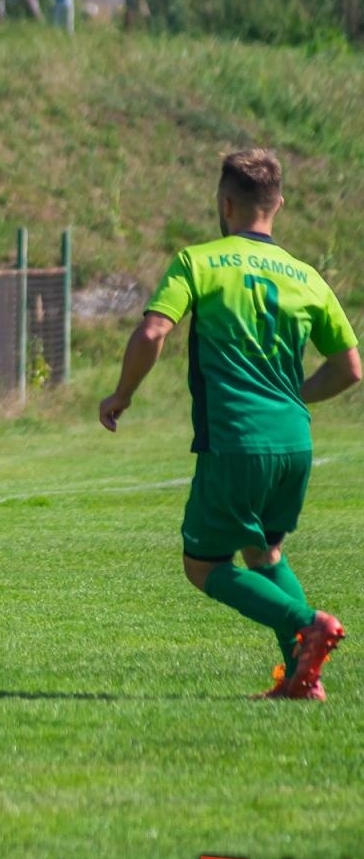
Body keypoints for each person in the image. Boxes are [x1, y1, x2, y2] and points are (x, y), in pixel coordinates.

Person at [100, 150, 359, 700]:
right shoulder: (307, 277)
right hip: (294, 442)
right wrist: (296, 396)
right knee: (263, 555)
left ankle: (308, 623)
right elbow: (350, 369)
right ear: (278, 204)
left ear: (225, 204)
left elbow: (153, 332)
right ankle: (302, 680)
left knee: (203, 564)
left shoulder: (199, 262)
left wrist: (122, 395)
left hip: (236, 439)